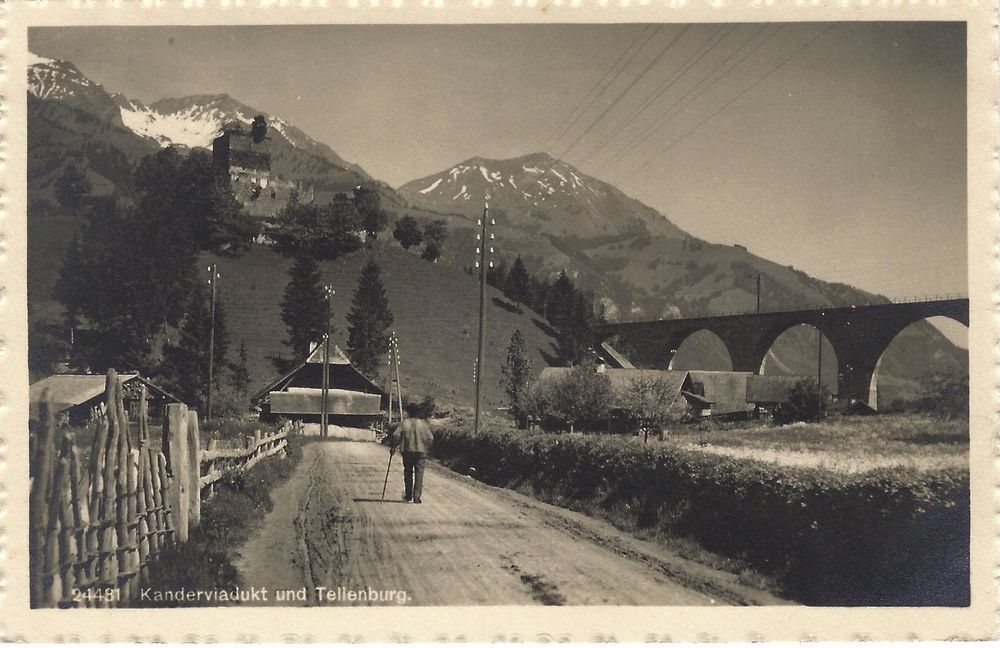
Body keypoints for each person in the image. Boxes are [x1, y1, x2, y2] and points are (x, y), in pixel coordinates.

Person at [384, 417, 434, 503]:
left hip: (407, 451)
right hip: (421, 452)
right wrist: (426, 447)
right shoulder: (423, 424)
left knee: (408, 472)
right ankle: (417, 497)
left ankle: (408, 495)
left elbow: (396, 435)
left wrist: (393, 446)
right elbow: (431, 438)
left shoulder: (404, 423)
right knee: (419, 474)